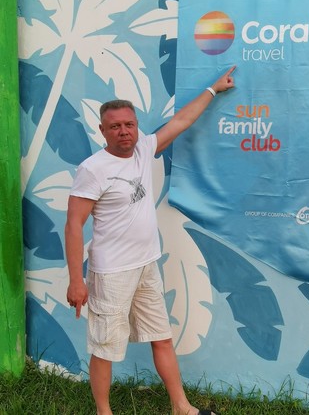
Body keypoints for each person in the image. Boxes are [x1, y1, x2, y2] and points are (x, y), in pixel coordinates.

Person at [65, 66, 236, 415]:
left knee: (162, 336)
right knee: (105, 348)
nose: (124, 131)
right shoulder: (93, 169)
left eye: (129, 124)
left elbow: (182, 121)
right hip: (112, 273)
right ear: (102, 130)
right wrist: (76, 280)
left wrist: (213, 89)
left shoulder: (144, 148)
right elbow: (73, 225)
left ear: (136, 126)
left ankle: (182, 408)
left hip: (146, 265)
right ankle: (103, 412)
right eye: (115, 126)